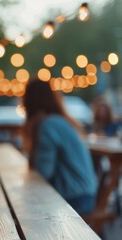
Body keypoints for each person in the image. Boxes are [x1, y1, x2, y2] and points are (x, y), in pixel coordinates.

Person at [22, 78, 97, 215]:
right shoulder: (59, 121)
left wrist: (32, 135)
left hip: (75, 198)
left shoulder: (48, 125)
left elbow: (43, 172)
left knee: (24, 211)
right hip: (84, 193)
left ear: (29, 102)